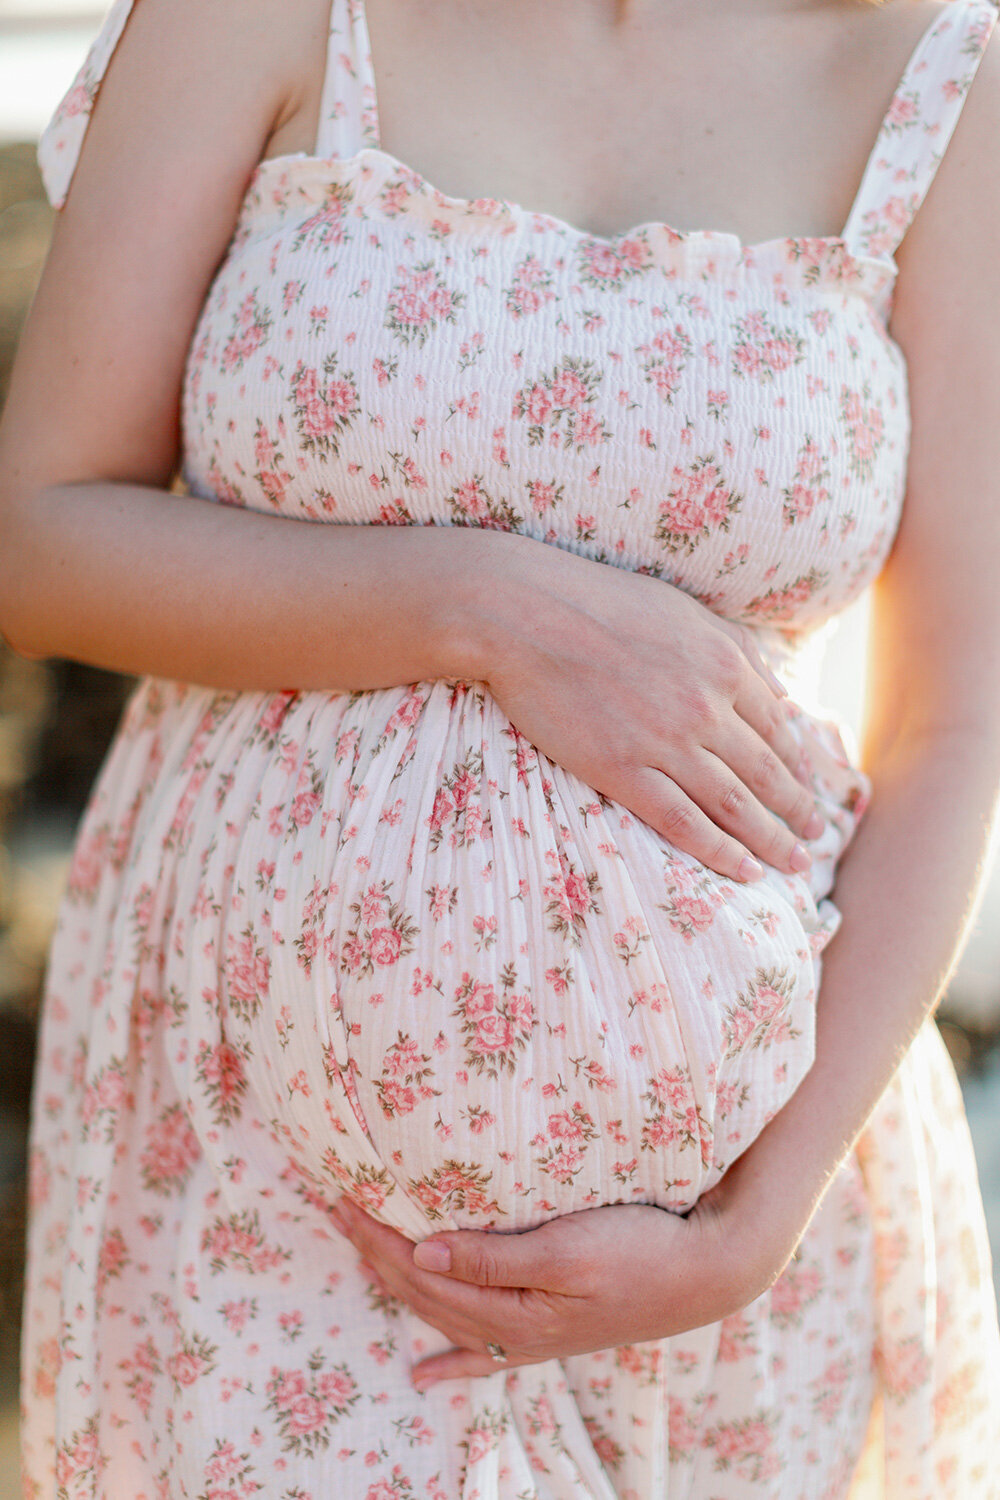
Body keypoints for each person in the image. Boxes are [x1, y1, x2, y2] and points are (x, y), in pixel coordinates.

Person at [2, 0, 999, 1493]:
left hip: (735, 1242)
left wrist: (750, 1229)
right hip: (262, 1180)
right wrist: (492, 611)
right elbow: (38, 538)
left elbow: (953, 723)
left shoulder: (946, 83)